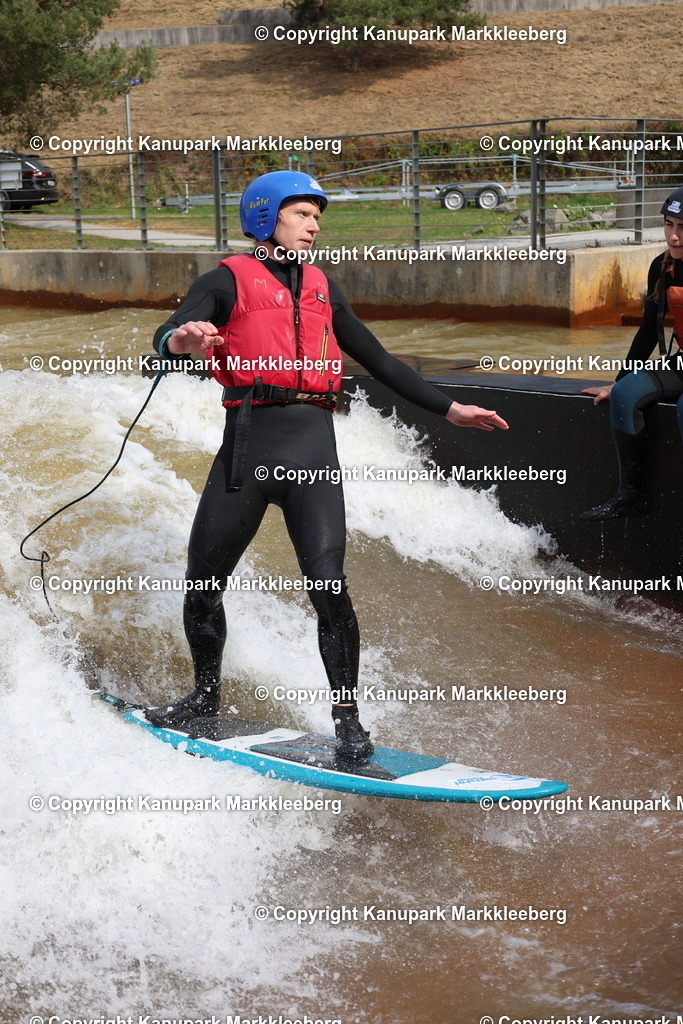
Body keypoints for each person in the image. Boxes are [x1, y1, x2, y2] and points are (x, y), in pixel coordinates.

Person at [145, 170, 508, 759]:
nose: (314, 226)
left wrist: (451, 408)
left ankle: (348, 721)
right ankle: (203, 698)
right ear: (266, 217)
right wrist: (182, 341)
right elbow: (167, 336)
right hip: (247, 451)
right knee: (204, 585)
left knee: (330, 588)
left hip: (313, 453)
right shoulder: (224, 281)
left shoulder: (322, 289)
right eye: (302, 214)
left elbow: (380, 359)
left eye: (318, 216)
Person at [581, 187, 683, 520]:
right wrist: (618, 381)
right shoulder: (662, 266)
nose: (675, 236)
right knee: (625, 393)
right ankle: (630, 497)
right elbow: (646, 333)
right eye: (669, 225)